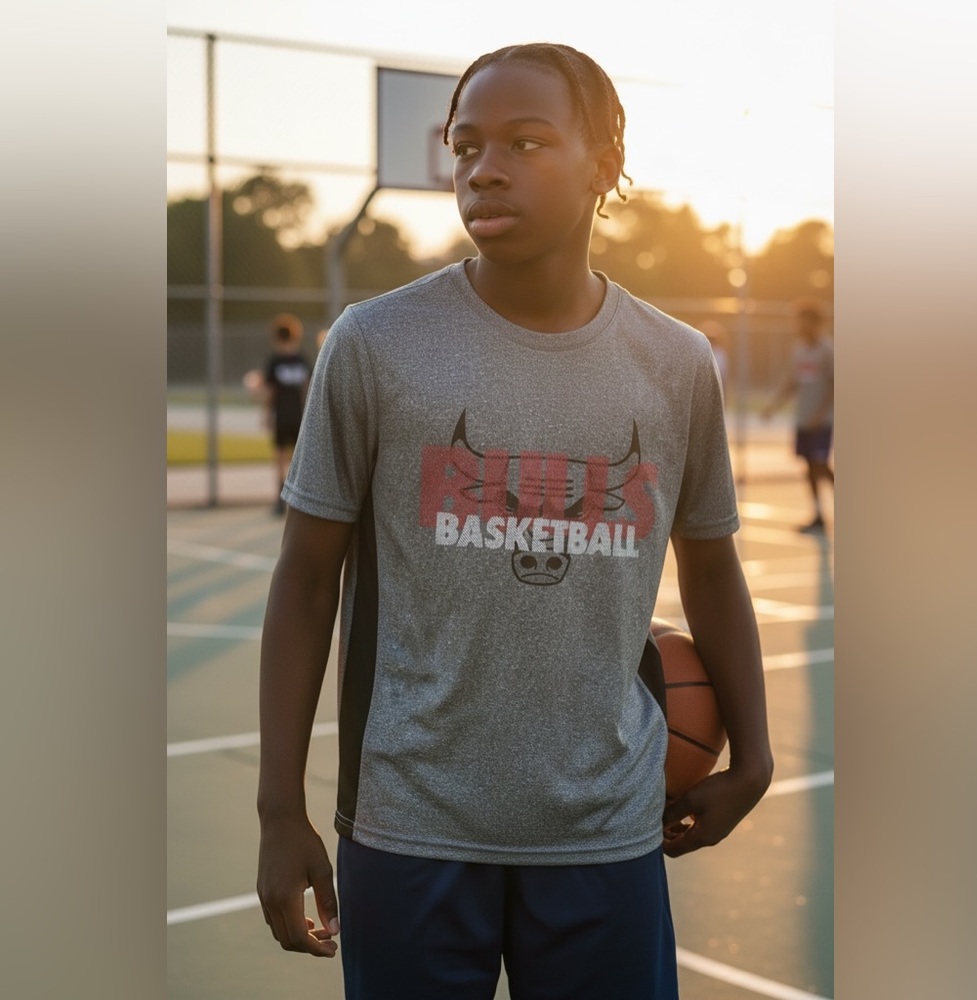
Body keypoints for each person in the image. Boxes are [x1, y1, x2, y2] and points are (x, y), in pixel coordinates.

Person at [256, 42, 772, 1000]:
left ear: (604, 165)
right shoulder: (375, 345)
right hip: (410, 825)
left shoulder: (676, 362)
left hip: (606, 831)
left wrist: (758, 753)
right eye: (465, 145)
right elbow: (304, 577)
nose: (484, 167)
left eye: (526, 142)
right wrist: (278, 806)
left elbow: (712, 568)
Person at [762, 298, 834, 532]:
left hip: (822, 421)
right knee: (809, 468)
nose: (799, 326)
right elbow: (792, 383)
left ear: (815, 323)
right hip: (803, 419)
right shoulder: (799, 350)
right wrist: (773, 406)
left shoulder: (827, 350)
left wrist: (821, 413)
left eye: (803, 321)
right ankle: (818, 514)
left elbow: (835, 385)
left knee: (821, 464)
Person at [262, 313, 312, 515]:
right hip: (300, 414)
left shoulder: (275, 360)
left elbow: (270, 392)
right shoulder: (302, 359)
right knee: (297, 458)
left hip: (282, 415)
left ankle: (280, 499)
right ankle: (299, 499)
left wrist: (267, 414)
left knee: (280, 457)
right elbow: (308, 388)